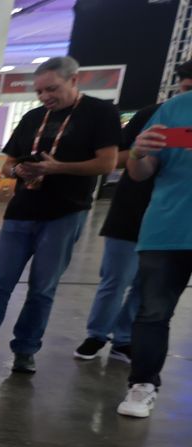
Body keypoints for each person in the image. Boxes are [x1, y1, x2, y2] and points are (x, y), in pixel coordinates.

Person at [0, 56, 120, 375]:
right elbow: (7, 163)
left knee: (42, 289)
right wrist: (18, 169)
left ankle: (25, 350)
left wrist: (58, 168)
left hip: (65, 214)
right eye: (40, 91)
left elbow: (107, 163)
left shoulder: (100, 113)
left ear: (74, 81)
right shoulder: (33, 118)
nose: (45, 96)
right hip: (21, 212)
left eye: (52, 89)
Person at [75, 62, 192, 364]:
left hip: (174, 220)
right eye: (186, 87)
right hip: (132, 210)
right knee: (116, 278)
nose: (187, 94)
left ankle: (124, 338)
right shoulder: (156, 114)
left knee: (147, 288)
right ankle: (96, 334)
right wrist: (142, 150)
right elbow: (119, 159)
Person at [116, 89, 192, 418]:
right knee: (153, 313)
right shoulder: (175, 109)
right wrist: (137, 153)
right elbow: (140, 172)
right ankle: (143, 384)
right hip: (168, 228)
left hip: (167, 229)